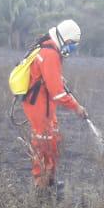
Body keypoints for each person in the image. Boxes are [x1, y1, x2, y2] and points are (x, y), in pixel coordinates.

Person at [22, 19, 88, 193]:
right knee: (43, 143)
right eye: (71, 43)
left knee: (52, 141)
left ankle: (49, 181)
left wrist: (58, 79)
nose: (72, 48)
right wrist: (77, 107)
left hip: (43, 103)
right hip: (39, 104)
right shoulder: (50, 54)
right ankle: (41, 187)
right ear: (65, 39)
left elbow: (47, 76)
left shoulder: (49, 48)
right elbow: (58, 94)